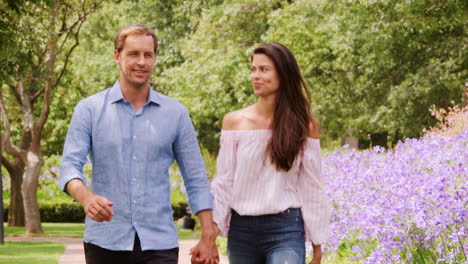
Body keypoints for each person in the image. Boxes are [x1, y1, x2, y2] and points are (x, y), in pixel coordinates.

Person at [59, 24, 218, 264]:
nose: (141, 62)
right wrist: (86, 198)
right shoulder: (89, 110)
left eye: (148, 55)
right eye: (133, 54)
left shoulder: (176, 113)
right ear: (117, 56)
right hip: (105, 241)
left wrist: (208, 235)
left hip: (159, 243)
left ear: (154, 58)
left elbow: (195, 178)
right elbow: (69, 166)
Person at [210, 42, 331, 264]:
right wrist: (210, 234)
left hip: (285, 229)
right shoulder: (234, 122)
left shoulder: (305, 126)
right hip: (242, 231)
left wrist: (317, 244)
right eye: (253, 69)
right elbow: (224, 182)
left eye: (264, 70)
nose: (255, 76)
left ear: (283, 74)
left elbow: (312, 185)